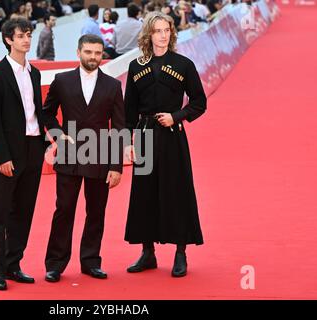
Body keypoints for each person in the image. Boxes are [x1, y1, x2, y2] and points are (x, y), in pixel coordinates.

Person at [124, 11, 206, 277]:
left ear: (171, 33)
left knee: (177, 192)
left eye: (166, 30)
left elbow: (199, 103)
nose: (162, 35)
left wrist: (176, 116)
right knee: (144, 194)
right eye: (157, 31)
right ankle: (147, 252)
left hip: (173, 136)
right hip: (145, 135)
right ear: (148, 34)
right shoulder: (136, 66)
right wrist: (127, 142)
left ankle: (181, 253)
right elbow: (129, 111)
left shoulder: (184, 64)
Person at [42, 34, 125, 283]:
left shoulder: (112, 86)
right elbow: (46, 113)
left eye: (98, 53)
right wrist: (58, 135)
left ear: (103, 55)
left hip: (101, 156)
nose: (93, 57)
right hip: (69, 155)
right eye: (88, 52)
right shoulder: (62, 81)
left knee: (96, 211)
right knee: (64, 209)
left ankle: (90, 262)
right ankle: (55, 264)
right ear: (78, 52)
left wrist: (116, 166)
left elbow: (119, 128)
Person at [0, 18, 47, 291]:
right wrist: (2, 157)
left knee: (24, 211)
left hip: (34, 148)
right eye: (21, 35)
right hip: (9, 153)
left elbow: (37, 111)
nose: (26, 40)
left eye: (29, 35)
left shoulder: (35, 73)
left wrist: (46, 140)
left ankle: (13, 263)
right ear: (9, 39)